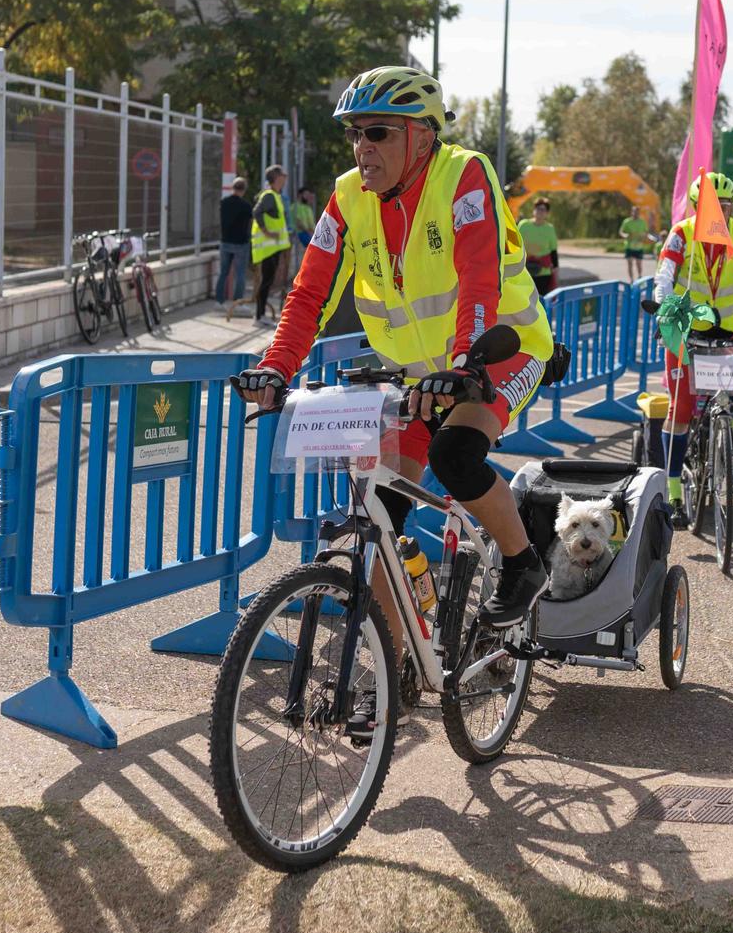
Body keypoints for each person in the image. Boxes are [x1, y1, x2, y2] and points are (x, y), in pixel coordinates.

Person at [232, 65, 555, 645]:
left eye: (378, 132)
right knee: (382, 513)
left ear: (423, 136)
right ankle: (394, 671)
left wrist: (464, 367)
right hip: (418, 375)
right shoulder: (347, 197)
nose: (363, 147)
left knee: (456, 455)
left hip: (499, 349)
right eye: (355, 132)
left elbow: (479, 279)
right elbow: (310, 294)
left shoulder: (464, 176)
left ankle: (522, 561)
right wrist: (277, 366)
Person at [649, 170, 733, 520]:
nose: (719, 212)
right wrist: (664, 311)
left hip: (728, 331)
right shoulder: (682, 234)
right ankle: (675, 493)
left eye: (725, 205)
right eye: (711, 205)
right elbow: (664, 277)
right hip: (685, 329)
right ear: (696, 206)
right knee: (679, 410)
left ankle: (731, 434)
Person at [250, 165, 291, 325]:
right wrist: (266, 232)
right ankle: (259, 316)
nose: (285, 180)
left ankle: (260, 315)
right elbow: (257, 212)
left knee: (267, 281)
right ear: (276, 178)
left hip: (273, 247)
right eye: (283, 177)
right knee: (266, 282)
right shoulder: (269, 196)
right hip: (267, 247)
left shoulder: (274, 195)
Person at [217, 176, 253, 311]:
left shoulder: (224, 202)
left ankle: (219, 302)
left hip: (225, 241)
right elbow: (250, 223)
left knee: (223, 273)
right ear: (244, 190)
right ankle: (238, 303)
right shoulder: (246, 206)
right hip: (241, 243)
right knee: (240, 274)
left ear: (233, 188)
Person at [521, 198, 560, 296]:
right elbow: (515, 244)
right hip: (525, 271)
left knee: (541, 301)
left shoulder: (549, 229)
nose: (540, 212)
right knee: (526, 301)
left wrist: (556, 273)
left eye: (543, 210)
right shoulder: (524, 225)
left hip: (543, 273)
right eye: (538, 208)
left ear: (547, 213)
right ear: (534, 210)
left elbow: (553, 252)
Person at [289, 185, 318, 274]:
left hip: (309, 235)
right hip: (300, 236)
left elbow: (311, 224)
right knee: (297, 260)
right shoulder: (295, 207)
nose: (307, 196)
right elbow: (298, 222)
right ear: (300, 195)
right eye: (306, 194)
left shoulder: (308, 208)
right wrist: (309, 232)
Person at [619, 205, 652, 282]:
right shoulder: (627, 221)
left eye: (637, 212)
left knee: (638, 264)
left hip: (639, 246)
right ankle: (631, 280)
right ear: (632, 212)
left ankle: (639, 277)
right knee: (630, 263)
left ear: (639, 213)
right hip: (629, 246)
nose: (635, 213)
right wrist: (625, 235)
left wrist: (643, 238)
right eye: (634, 211)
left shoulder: (642, 222)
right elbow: (621, 232)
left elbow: (646, 233)